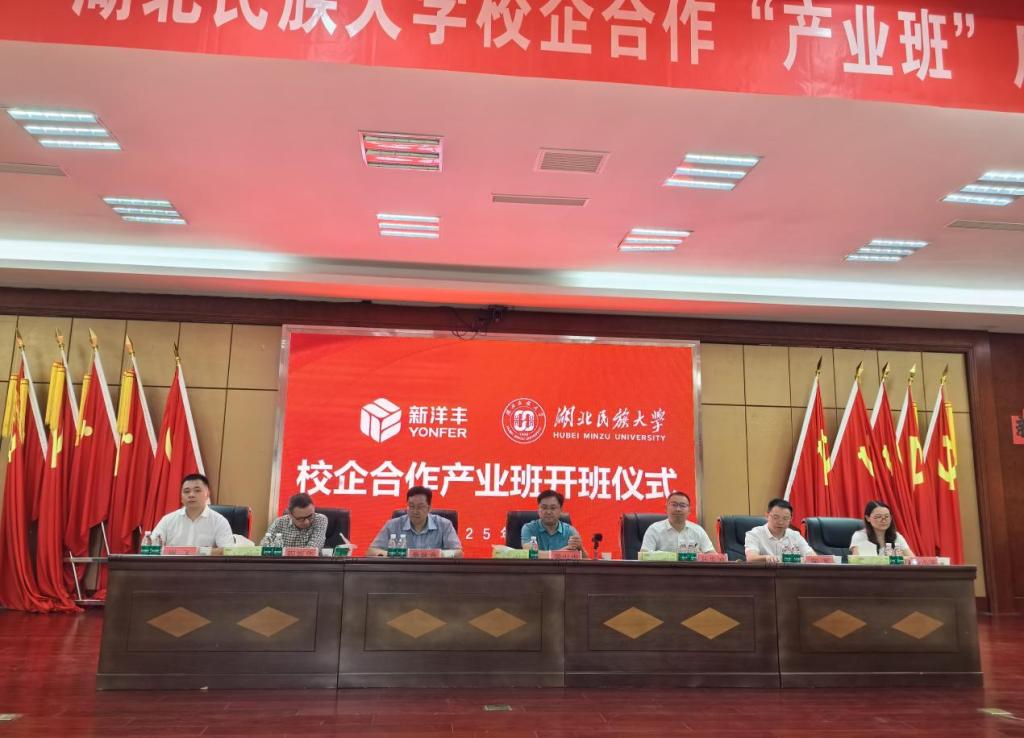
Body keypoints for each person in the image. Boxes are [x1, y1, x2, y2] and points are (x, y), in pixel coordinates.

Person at [367, 486, 462, 557]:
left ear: (429, 508)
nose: (415, 511)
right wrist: (398, 554)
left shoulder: (444, 525)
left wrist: (437, 554)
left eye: (420, 506)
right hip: (401, 574)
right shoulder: (392, 525)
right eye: (411, 506)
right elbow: (371, 552)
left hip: (434, 574)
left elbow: (458, 553)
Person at [151, 473, 233, 550]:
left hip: (204, 561)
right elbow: (152, 548)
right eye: (186, 491)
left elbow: (227, 551)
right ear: (181, 497)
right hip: (173, 561)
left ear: (207, 494)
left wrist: (198, 552)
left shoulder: (219, 521)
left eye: (197, 490)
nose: (191, 495)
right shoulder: (167, 520)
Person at [640, 491, 716, 554]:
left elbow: (712, 555)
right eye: (674, 505)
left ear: (689, 511)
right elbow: (644, 555)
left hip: (690, 568)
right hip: (662, 568)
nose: (678, 509)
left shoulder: (698, 530)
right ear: (666, 508)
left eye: (682, 505)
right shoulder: (654, 529)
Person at [744, 498, 814, 563]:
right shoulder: (754, 534)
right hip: (765, 571)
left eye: (785, 518)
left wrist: (783, 559)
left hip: (790, 572)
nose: (780, 522)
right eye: (776, 517)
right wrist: (766, 558)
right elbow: (751, 558)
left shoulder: (795, 535)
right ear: (767, 515)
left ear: (791, 519)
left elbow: (813, 557)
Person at [519, 490, 586, 555]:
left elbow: (586, 559)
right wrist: (560, 553)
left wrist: (580, 547)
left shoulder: (570, 531)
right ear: (538, 509)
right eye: (544, 508)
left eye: (553, 508)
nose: (548, 512)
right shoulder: (529, 528)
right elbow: (531, 554)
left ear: (561, 510)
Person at [260, 492, 328, 549]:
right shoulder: (280, 522)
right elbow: (264, 547)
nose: (307, 521)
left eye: (310, 516)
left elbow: (312, 550)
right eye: (301, 519)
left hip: (309, 561)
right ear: (290, 515)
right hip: (283, 561)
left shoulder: (320, 519)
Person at [850, 500, 915, 557]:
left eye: (887, 516)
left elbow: (912, 559)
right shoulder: (860, 536)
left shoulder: (896, 536)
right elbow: (857, 561)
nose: (883, 520)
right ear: (868, 518)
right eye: (878, 517)